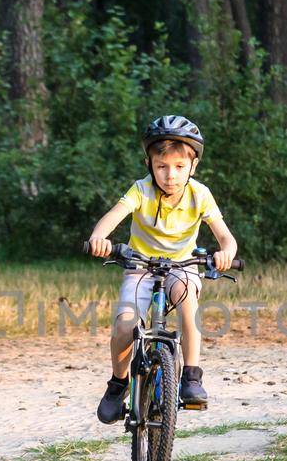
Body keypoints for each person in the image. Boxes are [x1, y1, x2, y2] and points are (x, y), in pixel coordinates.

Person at [85, 114, 237, 423]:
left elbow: (226, 238)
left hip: (183, 266)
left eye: (180, 167)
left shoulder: (200, 194)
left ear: (192, 166)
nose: (170, 175)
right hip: (140, 267)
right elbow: (114, 216)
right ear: (150, 165)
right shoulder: (141, 190)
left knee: (187, 300)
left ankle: (191, 376)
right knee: (126, 325)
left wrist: (225, 253)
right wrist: (99, 237)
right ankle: (118, 383)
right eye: (162, 166)